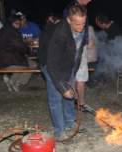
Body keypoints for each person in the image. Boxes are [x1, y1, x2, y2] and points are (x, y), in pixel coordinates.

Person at [45, 4, 88, 141]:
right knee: (56, 99)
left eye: (83, 23)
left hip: (67, 65)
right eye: (77, 24)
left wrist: (72, 75)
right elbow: (52, 64)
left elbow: (79, 52)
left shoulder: (82, 27)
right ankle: (59, 131)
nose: (81, 27)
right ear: (69, 20)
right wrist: (62, 87)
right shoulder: (60, 34)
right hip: (51, 66)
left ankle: (70, 123)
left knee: (70, 95)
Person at [0, 14, 33, 92]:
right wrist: (29, 50)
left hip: (4, 59)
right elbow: (20, 46)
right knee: (31, 65)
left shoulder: (4, 30)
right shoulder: (12, 32)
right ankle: (15, 82)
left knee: (29, 63)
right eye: (18, 22)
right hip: (9, 60)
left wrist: (24, 45)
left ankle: (14, 82)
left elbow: (15, 45)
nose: (19, 24)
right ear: (13, 22)